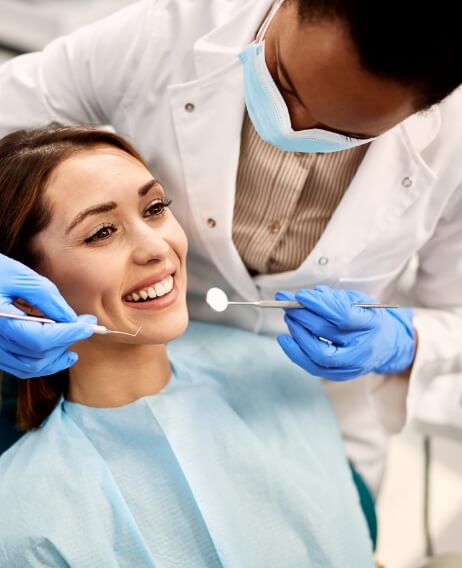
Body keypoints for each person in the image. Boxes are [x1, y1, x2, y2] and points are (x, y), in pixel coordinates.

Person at [1, 0, 462, 497]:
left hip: (316, 422)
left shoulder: (454, 141)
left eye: (344, 131)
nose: (295, 126)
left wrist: (405, 340)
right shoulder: (170, 32)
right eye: (284, 83)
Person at [0, 125, 374, 567]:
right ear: (24, 295)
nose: (157, 247)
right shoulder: (27, 516)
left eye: (155, 207)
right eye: (101, 232)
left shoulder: (273, 372)